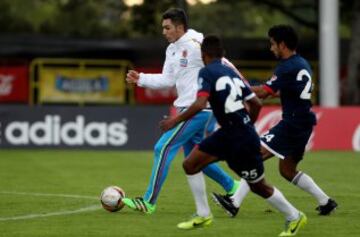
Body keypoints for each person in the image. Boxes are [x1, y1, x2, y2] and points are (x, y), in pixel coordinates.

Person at [160, 35, 307, 236]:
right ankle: (203, 214)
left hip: (237, 137)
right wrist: (248, 125)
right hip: (234, 134)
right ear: (223, 54)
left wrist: (174, 120)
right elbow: (256, 103)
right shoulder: (231, 72)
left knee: (258, 187)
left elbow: (200, 104)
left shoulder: (206, 72)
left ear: (204, 54)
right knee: (190, 164)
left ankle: (295, 216)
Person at [122, 8, 240, 214]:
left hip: (200, 109)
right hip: (189, 107)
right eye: (163, 28)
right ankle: (233, 186)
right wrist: (140, 78)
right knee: (195, 159)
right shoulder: (172, 49)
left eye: (167, 28)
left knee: (163, 147)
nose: (164, 32)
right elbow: (168, 79)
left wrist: (246, 90)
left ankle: (149, 201)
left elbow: (225, 65)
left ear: (180, 27)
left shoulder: (197, 44)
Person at [212, 25, 338, 217]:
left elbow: (264, 92)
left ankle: (233, 202)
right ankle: (326, 202)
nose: (271, 49)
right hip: (304, 123)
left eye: (272, 44)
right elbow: (275, 91)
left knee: (252, 157)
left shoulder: (286, 67)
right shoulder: (301, 63)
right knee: (287, 170)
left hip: (292, 124)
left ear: (282, 44)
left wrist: (239, 88)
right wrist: (252, 93)